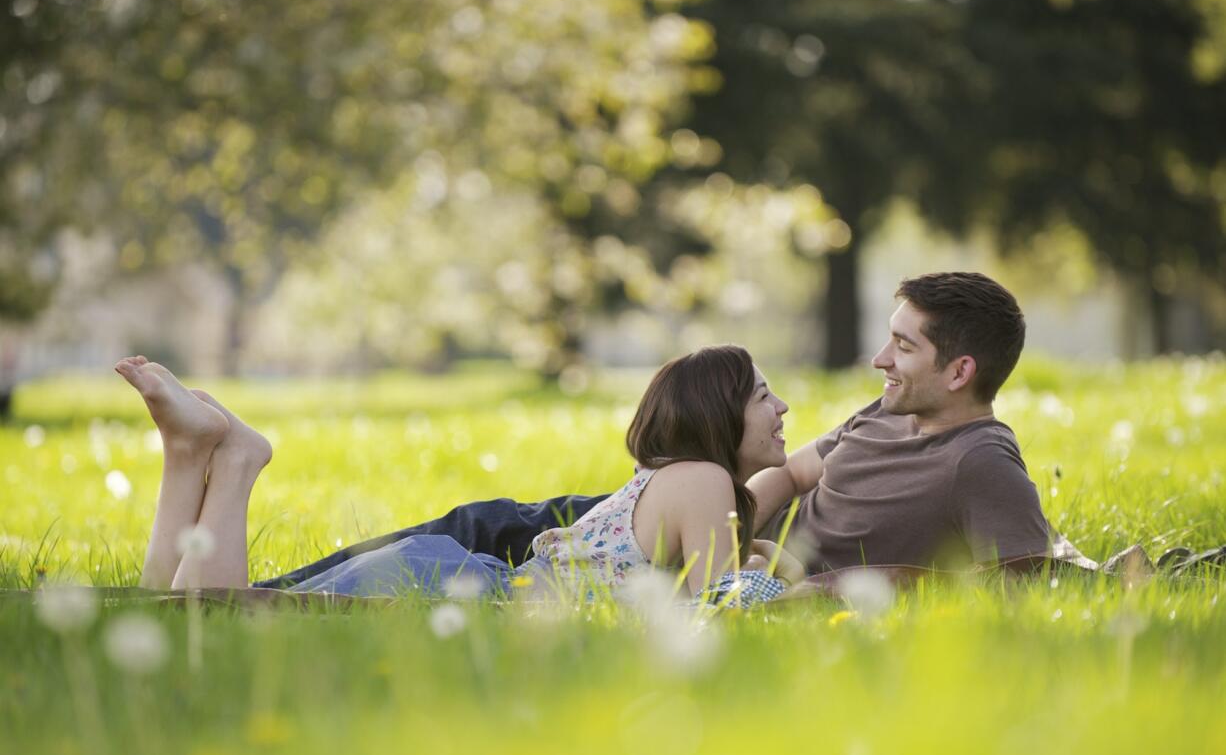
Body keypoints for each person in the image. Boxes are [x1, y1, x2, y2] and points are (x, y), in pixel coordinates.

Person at [258, 271, 1091, 589]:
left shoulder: (978, 459)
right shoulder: (883, 415)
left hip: (686, 538)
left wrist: (813, 580)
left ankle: (260, 600)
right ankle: (273, 595)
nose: (878, 358)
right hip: (703, 522)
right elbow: (793, 477)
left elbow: (1022, 572)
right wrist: (740, 520)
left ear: (960, 373)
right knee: (477, 525)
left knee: (474, 544)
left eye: (903, 345)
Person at [117, 345, 807, 605]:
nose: (781, 408)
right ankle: (233, 463)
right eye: (762, 394)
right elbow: (719, 610)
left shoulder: (679, 480)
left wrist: (759, 548)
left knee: (187, 618)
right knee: (216, 617)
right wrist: (791, 577)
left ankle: (190, 459)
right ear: (720, 413)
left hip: (449, 573)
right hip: (458, 583)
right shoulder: (704, 481)